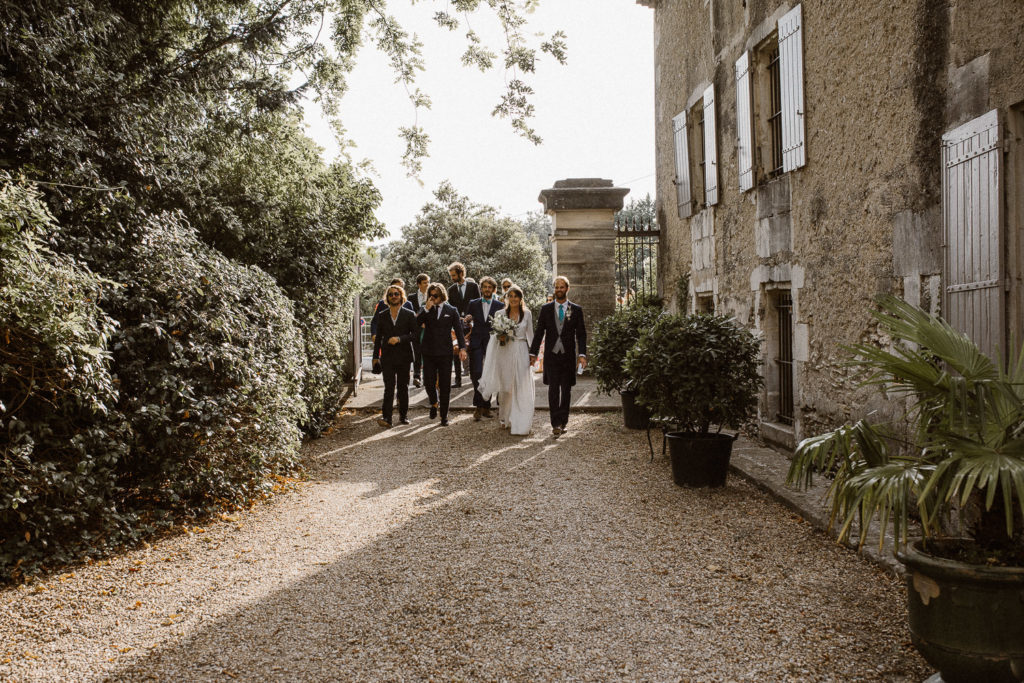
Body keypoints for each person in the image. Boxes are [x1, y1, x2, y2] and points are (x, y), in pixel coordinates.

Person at [529, 276, 587, 438]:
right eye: (556, 287)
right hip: (552, 356)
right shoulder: (545, 309)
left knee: (566, 390)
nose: (559, 290)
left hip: (568, 356)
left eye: (562, 287)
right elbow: (539, 332)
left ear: (567, 289)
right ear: (554, 289)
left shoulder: (576, 310)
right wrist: (533, 353)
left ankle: (564, 421)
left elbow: (581, 334)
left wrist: (582, 354)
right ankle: (555, 423)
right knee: (553, 389)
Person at [478, 285, 535, 435]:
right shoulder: (499, 313)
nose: (514, 299)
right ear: (507, 298)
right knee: (506, 386)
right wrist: (500, 336)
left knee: (521, 384)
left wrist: (533, 354)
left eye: (516, 296)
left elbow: (531, 336)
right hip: (505, 351)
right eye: (511, 296)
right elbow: (494, 337)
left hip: (521, 350)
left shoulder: (527, 314)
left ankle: (522, 418)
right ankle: (505, 417)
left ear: (521, 298)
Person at [416, 283, 467, 426]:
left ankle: (444, 416)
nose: (433, 298)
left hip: (445, 352)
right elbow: (416, 323)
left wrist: (462, 348)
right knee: (428, 382)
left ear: (442, 295)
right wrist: (426, 309)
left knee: (445, 385)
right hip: (428, 352)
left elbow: (458, 330)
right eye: (430, 295)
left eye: (435, 295)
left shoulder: (451, 310)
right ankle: (434, 402)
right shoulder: (425, 309)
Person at [372, 284, 418, 428]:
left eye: (396, 294)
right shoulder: (382, 315)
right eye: (391, 294)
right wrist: (375, 357)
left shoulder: (409, 314)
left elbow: (415, 335)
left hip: (404, 356)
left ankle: (403, 416)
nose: (393, 296)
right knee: (389, 387)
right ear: (387, 298)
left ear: (401, 296)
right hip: (387, 357)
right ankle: (387, 418)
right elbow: (378, 337)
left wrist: (399, 339)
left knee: (403, 387)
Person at [465, 276, 504, 421]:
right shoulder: (473, 303)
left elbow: (501, 325)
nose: (487, 290)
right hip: (476, 342)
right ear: (481, 289)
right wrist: (467, 320)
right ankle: (479, 404)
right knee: (476, 373)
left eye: (490, 287)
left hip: (492, 343)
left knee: (489, 373)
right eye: (485, 287)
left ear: (493, 290)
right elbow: (465, 323)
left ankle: (485, 406)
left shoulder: (499, 305)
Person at [446, 262, 480, 388]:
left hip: (472, 323)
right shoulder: (451, 289)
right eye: (451, 276)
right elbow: (450, 307)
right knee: (456, 349)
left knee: (471, 349)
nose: (452, 278)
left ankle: (473, 379)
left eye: (454, 275)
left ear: (461, 273)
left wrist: (472, 316)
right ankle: (458, 380)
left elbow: (478, 303)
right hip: (457, 323)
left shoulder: (473, 286)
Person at [370, 278, 414, 343]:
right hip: (387, 344)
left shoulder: (408, 305)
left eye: (399, 288)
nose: (394, 295)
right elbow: (375, 321)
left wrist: (400, 339)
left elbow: (414, 330)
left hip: (404, 345)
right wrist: (374, 334)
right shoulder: (382, 304)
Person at [407, 273, 430, 388]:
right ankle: (417, 376)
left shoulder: (431, 295)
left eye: (428, 282)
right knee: (417, 353)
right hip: (416, 329)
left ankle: (427, 377)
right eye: (425, 282)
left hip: (428, 329)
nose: (427, 285)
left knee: (427, 352)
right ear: (419, 284)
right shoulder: (411, 297)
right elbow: (409, 313)